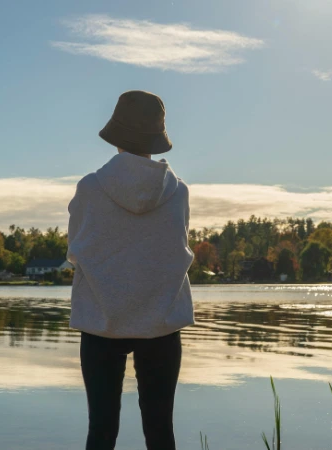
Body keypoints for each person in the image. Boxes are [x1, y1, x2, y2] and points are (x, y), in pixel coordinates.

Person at [66, 90, 195, 450]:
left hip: (101, 320)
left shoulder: (90, 188)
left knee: (101, 432)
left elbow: (75, 251)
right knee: (160, 431)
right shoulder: (178, 192)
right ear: (156, 138)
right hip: (162, 323)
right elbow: (175, 250)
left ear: (116, 136)